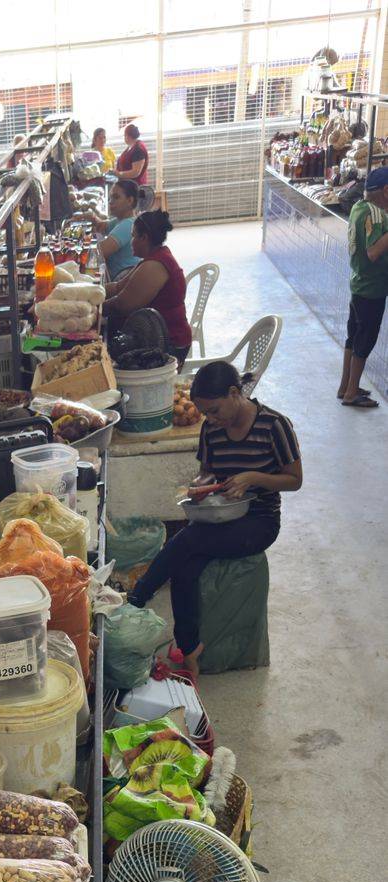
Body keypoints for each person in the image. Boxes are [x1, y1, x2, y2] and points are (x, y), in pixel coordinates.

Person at [129, 361, 302, 678]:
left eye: (215, 410)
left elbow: (294, 480)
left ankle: (136, 598)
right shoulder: (211, 428)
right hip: (220, 513)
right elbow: (208, 470)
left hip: (259, 521)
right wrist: (200, 483)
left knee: (190, 539)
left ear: (235, 393)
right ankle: (190, 650)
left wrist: (252, 478)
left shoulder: (274, 425)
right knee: (185, 567)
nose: (210, 419)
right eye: (205, 412)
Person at [103, 209, 192, 363]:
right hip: (149, 334)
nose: (131, 241)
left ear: (144, 238)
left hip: (167, 343)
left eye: (133, 236)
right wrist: (88, 293)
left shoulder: (155, 265)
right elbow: (117, 287)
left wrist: (90, 309)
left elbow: (122, 305)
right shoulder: (152, 258)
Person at [339, 164, 388, 408]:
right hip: (372, 289)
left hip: (358, 284)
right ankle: (351, 394)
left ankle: (345, 385)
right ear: (386, 191)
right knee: (364, 341)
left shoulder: (359, 207)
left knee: (353, 336)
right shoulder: (376, 214)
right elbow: (373, 252)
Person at [87, 177, 140, 278]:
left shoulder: (128, 225)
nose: (110, 202)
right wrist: (91, 217)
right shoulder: (120, 221)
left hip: (121, 279)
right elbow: (102, 226)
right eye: (110, 198)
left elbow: (98, 252)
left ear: (129, 200)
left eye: (116, 197)